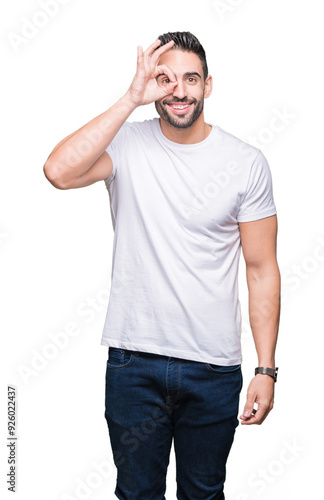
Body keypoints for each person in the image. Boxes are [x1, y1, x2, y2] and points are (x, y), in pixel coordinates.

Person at [43, 31, 280, 500]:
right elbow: (58, 171)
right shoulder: (125, 144)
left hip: (213, 369)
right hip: (135, 364)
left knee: (203, 494)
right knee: (136, 495)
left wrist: (266, 369)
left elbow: (261, 269)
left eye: (191, 79)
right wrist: (131, 98)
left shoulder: (246, 163)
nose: (179, 91)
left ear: (208, 86)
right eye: (165, 79)